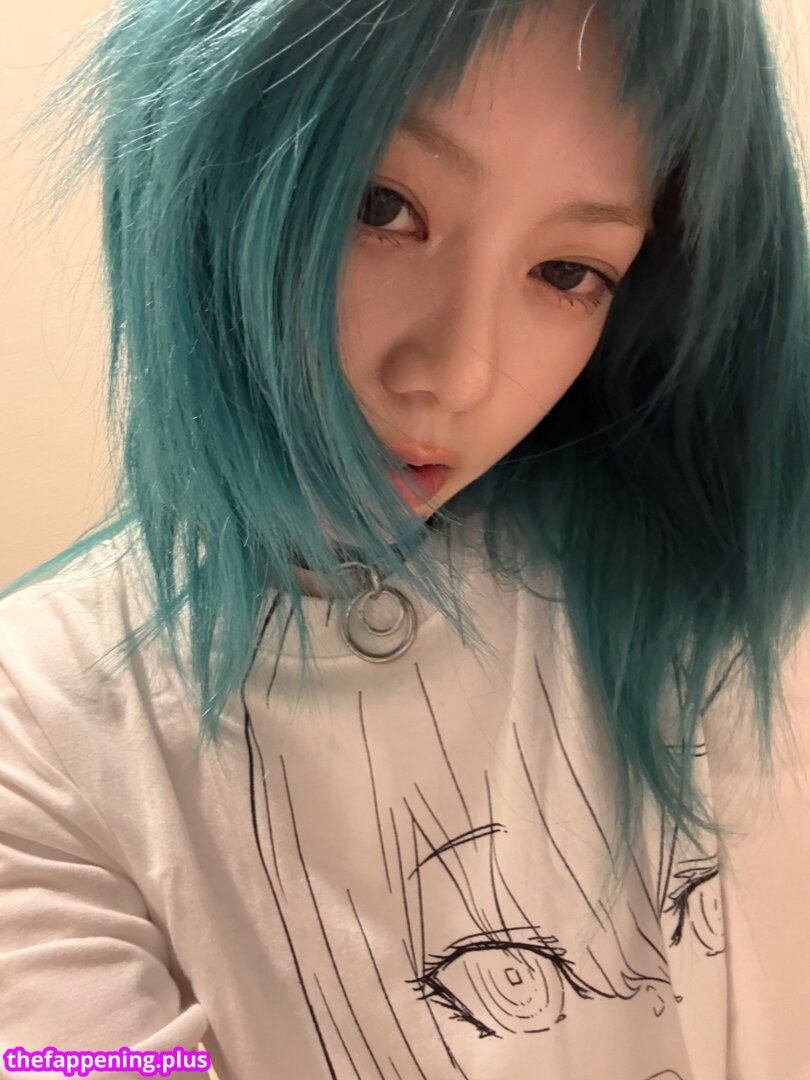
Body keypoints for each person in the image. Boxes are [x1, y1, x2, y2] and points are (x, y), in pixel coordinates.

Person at [1, 0, 809, 1077]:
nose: (457, 374)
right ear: (206, 161)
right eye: (382, 205)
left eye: (569, 272)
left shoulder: (720, 585)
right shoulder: (38, 726)